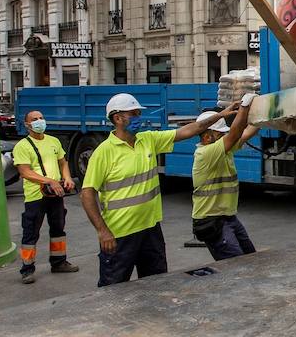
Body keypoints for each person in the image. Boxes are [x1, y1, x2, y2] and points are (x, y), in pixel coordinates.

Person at [80, 93, 238, 286]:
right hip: (120, 235)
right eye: (134, 114)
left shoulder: (148, 140)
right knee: (113, 287)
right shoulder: (103, 152)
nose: (138, 118)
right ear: (118, 118)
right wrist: (102, 231)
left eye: (138, 113)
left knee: (157, 283)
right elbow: (87, 193)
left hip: (150, 230)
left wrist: (221, 115)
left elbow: (190, 130)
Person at [12, 109, 79, 283]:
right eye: (34, 119)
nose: (39, 121)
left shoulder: (53, 141)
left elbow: (63, 162)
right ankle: (27, 269)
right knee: (31, 233)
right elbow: (25, 172)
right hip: (36, 196)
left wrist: (67, 178)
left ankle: (59, 262)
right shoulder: (23, 146)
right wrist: (49, 181)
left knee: (58, 229)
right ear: (27, 125)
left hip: (55, 193)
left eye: (41, 118)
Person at [191, 95, 261, 260]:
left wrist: (261, 113)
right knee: (235, 266)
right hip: (211, 221)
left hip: (228, 218)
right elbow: (235, 133)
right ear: (207, 137)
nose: (224, 136)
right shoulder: (205, 153)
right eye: (220, 134)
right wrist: (244, 106)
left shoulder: (223, 149)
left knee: (251, 259)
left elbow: (246, 132)